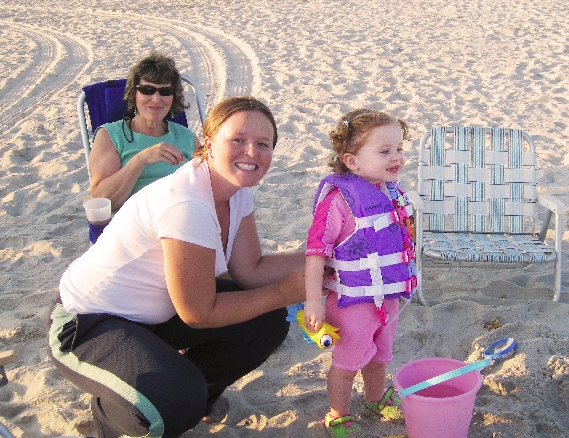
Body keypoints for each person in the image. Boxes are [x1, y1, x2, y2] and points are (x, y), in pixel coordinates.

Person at [47, 96, 310, 438]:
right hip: (85, 322)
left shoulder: (235, 190)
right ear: (209, 142)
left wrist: (327, 259)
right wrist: (284, 292)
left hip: (153, 315)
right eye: (238, 140)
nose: (251, 153)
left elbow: (251, 270)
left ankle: (185, 393)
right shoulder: (187, 202)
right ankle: (114, 413)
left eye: (263, 144)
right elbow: (198, 313)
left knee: (267, 321)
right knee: (175, 398)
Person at [303, 109, 419, 437]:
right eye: (384, 152)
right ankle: (338, 412)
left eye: (399, 148)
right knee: (347, 362)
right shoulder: (340, 203)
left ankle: (374, 398)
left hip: (388, 297)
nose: (396, 157)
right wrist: (313, 301)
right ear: (352, 161)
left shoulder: (393, 192)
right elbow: (315, 254)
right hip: (352, 302)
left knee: (381, 355)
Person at [89, 52, 201, 212]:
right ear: (134, 94)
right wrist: (141, 159)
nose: (156, 99)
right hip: (135, 223)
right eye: (147, 90)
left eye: (165, 92)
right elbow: (103, 201)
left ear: (173, 97)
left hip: (182, 216)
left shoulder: (186, 137)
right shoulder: (111, 135)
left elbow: (210, 184)